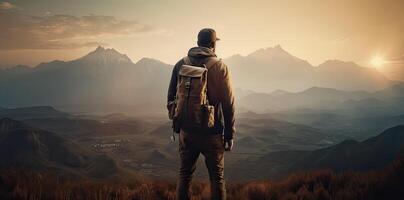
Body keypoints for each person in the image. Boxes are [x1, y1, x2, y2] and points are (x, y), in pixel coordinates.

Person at [167, 28, 236, 200]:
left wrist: (178, 123)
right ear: (213, 45)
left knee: (185, 175)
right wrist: (229, 135)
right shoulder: (220, 67)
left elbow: (170, 98)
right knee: (217, 178)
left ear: (197, 43)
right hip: (212, 133)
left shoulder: (180, 64)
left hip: (187, 132)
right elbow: (229, 104)